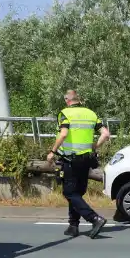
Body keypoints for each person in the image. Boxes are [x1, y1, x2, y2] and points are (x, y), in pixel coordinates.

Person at [46, 90, 109, 239]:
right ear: (78, 100)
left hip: (71, 160)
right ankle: (73, 226)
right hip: (86, 159)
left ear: (67, 100)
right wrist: (95, 146)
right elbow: (105, 134)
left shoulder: (65, 113)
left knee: (69, 193)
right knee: (77, 192)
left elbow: (63, 134)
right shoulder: (91, 113)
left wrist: (52, 152)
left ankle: (94, 219)